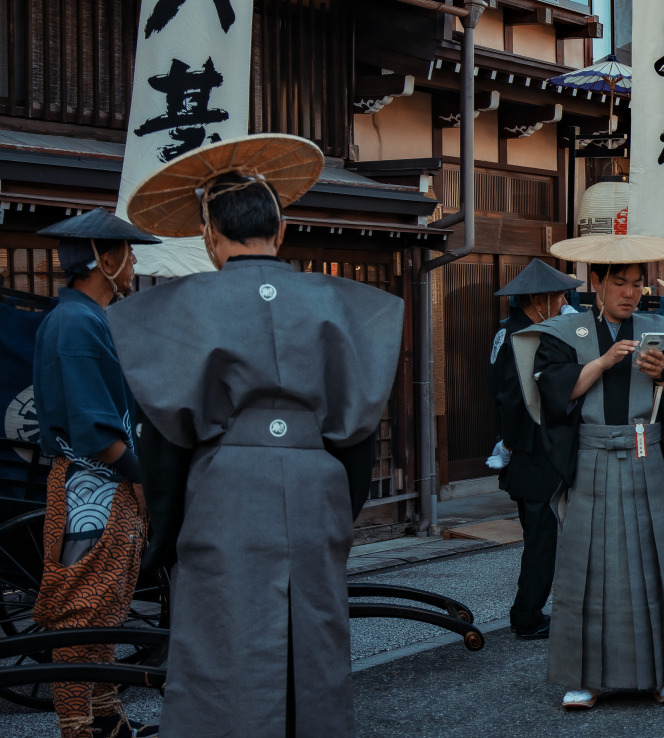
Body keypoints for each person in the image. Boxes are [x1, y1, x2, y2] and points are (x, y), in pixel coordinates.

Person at [111, 135, 402, 737]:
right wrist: (338, 513)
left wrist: (165, 537)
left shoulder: (185, 306)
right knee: (314, 630)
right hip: (316, 478)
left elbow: (164, 439)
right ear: (282, 229)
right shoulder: (334, 302)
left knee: (226, 634)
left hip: (226, 486)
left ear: (209, 235)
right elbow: (359, 434)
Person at [514, 245, 664, 709]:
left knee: (655, 563)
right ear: (596, 284)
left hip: (647, 453)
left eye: (637, 284)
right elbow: (553, 393)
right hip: (592, 456)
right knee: (587, 566)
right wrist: (601, 363)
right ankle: (584, 679)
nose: (629, 293)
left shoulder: (661, 332)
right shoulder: (566, 333)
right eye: (619, 283)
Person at [29, 209, 158, 738]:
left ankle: (106, 718)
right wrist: (142, 477)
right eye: (128, 255)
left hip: (101, 483)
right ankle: (80, 727)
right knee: (82, 613)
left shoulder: (86, 317)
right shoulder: (77, 322)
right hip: (91, 486)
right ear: (105, 260)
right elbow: (95, 428)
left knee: (103, 610)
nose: (134, 265)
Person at [488, 260, 583, 641]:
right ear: (540, 300)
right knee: (542, 539)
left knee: (538, 536)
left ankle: (529, 611)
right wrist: (510, 443)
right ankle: (527, 616)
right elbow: (514, 399)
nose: (564, 303)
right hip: (532, 449)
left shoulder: (508, 331)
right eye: (559, 297)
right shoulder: (525, 338)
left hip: (524, 449)